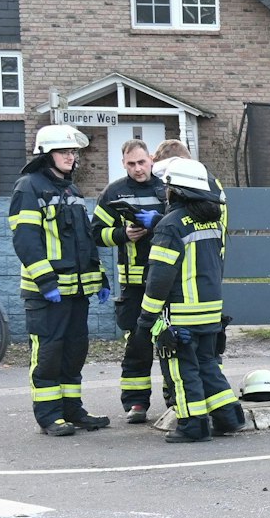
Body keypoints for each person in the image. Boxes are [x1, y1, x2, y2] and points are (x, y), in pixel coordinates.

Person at [9, 125, 109, 436]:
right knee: (49, 355)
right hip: (47, 293)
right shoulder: (29, 187)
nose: (70, 157)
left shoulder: (71, 190)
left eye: (73, 152)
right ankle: (49, 415)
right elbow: (26, 240)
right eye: (64, 151)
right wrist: (46, 281)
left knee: (74, 353)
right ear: (45, 154)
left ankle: (72, 410)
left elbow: (84, 239)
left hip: (76, 292)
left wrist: (100, 276)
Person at [139, 158, 243, 443]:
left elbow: (159, 279)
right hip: (210, 312)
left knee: (182, 370)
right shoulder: (213, 222)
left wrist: (146, 318)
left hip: (181, 314)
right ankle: (229, 417)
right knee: (207, 365)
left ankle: (192, 425)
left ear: (176, 191)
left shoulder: (171, 225)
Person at [92, 140, 166, 421]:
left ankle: (175, 398)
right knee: (137, 343)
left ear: (151, 160)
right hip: (134, 285)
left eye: (142, 162)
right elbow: (95, 233)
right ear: (123, 163)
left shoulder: (167, 188)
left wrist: (157, 221)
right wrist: (123, 234)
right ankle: (136, 403)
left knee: (171, 342)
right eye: (131, 164)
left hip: (166, 279)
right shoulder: (114, 192)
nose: (137, 169)